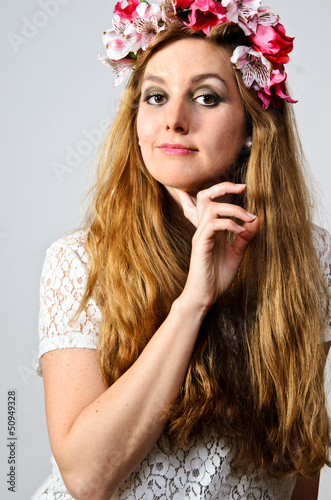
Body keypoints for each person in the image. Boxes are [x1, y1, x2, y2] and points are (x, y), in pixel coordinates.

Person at [32, 1, 331, 499]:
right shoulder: (79, 261)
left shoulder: (311, 257)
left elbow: (302, 457)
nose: (173, 119)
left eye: (207, 99)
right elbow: (87, 478)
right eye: (155, 97)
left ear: (252, 130)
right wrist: (194, 301)